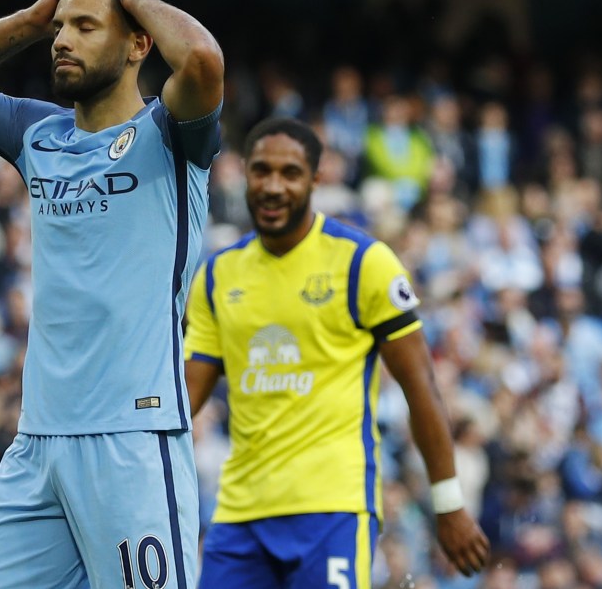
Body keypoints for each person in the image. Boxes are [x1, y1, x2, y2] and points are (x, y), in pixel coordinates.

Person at [0, 0, 223, 589]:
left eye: (85, 26)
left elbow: (202, 62)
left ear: (138, 41)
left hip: (134, 436)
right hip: (40, 437)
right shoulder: (39, 134)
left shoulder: (169, 133)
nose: (63, 40)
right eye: (61, 27)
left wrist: (145, 0)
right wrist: (28, 21)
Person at [183, 117, 489, 588]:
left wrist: (448, 504)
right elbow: (187, 399)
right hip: (240, 514)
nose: (273, 186)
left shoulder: (363, 263)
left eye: (290, 173)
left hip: (334, 510)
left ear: (316, 180)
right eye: (262, 171)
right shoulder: (218, 276)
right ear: (245, 174)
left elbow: (420, 386)